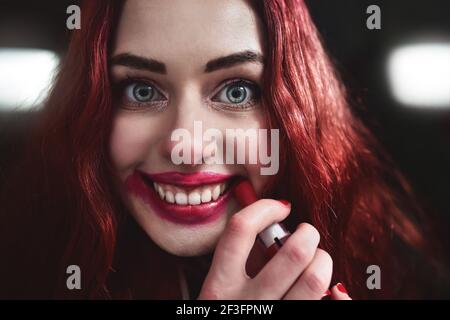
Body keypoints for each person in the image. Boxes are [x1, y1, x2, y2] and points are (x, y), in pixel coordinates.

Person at [0, 0, 446, 299]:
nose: (187, 147)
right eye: (140, 90)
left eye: (236, 91)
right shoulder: (22, 273)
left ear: (298, 108)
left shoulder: (404, 276)